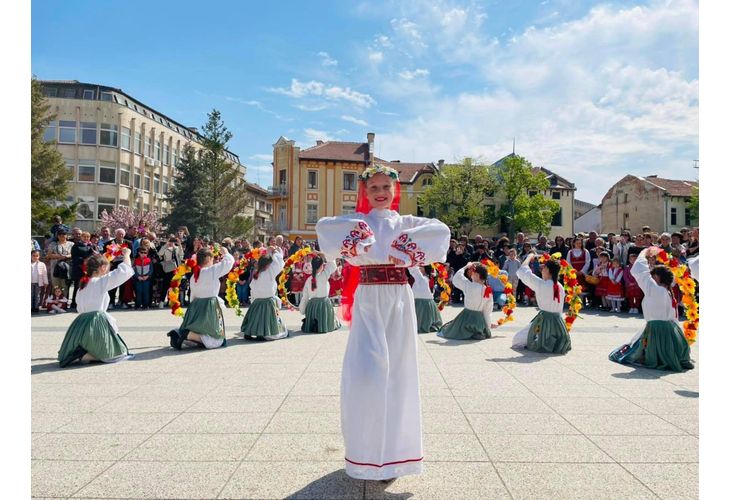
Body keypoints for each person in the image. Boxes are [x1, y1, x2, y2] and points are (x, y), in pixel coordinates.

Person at [316, 163, 450, 481]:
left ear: (394, 191)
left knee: (399, 374)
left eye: (385, 188)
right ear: (365, 191)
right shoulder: (358, 222)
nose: (380, 193)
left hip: (399, 299)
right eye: (373, 188)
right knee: (366, 373)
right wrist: (359, 240)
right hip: (369, 298)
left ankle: (395, 457)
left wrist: (405, 250)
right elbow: (324, 226)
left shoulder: (406, 223)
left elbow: (441, 232)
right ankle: (365, 454)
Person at [609, 247, 694, 371]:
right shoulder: (668, 291)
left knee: (634, 354)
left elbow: (639, 270)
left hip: (656, 330)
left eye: (653, 276)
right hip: (671, 329)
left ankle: (656, 356)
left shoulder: (655, 289)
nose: (651, 278)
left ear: (658, 278)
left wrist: (645, 252)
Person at [57, 250, 135, 367]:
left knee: (91, 346)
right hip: (96, 322)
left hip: (80, 323)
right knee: (117, 353)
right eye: (107, 268)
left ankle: (82, 354)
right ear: (103, 267)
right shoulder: (100, 281)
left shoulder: (82, 286)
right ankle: (85, 354)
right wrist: (127, 255)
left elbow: (79, 306)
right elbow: (123, 272)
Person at [167, 246, 235, 350]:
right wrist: (225, 252)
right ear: (208, 259)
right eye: (212, 259)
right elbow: (228, 263)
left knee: (201, 332)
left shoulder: (194, 276)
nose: (214, 261)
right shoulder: (211, 271)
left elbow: (193, 295)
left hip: (196, 306)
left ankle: (184, 335)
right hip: (209, 307)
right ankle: (187, 334)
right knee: (216, 340)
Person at [512, 253, 571, 354]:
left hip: (544, 321)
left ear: (548, 270)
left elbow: (523, 272)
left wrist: (529, 257)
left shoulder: (542, 284)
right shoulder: (560, 286)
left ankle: (540, 341)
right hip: (558, 322)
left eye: (543, 268)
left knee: (517, 340)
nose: (542, 270)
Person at [239, 247, 288, 340]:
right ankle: (263, 334)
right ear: (268, 265)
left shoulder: (256, 274)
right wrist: (275, 251)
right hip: (268, 301)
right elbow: (279, 263)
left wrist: (253, 301)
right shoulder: (269, 272)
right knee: (265, 319)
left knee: (255, 318)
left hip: (257, 302)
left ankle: (248, 332)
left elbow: (252, 289)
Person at [438, 262, 493, 340]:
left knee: (451, 329)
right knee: (478, 328)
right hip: (479, 320)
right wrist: (488, 327)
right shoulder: (488, 290)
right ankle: (478, 332)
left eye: (472, 273)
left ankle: (469, 332)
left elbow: (456, 278)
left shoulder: (469, 285)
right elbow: (487, 311)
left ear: (477, 275)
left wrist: (465, 266)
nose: (471, 275)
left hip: (466, 317)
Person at [299, 252, 341, 333]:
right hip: (324, 306)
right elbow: (333, 265)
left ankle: (314, 324)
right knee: (335, 321)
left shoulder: (309, 279)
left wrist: (302, 310)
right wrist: (324, 255)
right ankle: (323, 324)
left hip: (312, 307)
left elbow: (305, 297)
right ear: (322, 266)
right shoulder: (324, 275)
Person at [408, 265, 443, 333]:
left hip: (422, 300)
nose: (419, 268)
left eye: (421, 267)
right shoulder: (424, 277)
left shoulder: (423, 278)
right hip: (421, 299)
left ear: (425, 269)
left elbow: (413, 270)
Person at [70, 231, 96, 309]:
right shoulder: (76, 246)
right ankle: (74, 303)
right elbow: (74, 257)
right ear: (81, 237)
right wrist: (84, 260)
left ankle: (86, 302)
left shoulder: (91, 246)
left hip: (89, 269)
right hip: (79, 269)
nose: (86, 238)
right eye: (84, 237)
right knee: (78, 286)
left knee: (88, 286)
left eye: (87, 237)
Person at [46, 229, 74, 299]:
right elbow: (49, 255)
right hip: (55, 267)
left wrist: (66, 256)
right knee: (56, 285)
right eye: (60, 235)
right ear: (57, 236)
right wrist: (59, 256)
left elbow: (74, 254)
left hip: (66, 268)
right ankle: (55, 301)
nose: (62, 236)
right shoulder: (53, 244)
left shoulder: (71, 244)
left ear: (66, 235)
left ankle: (63, 302)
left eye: (64, 234)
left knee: (64, 285)